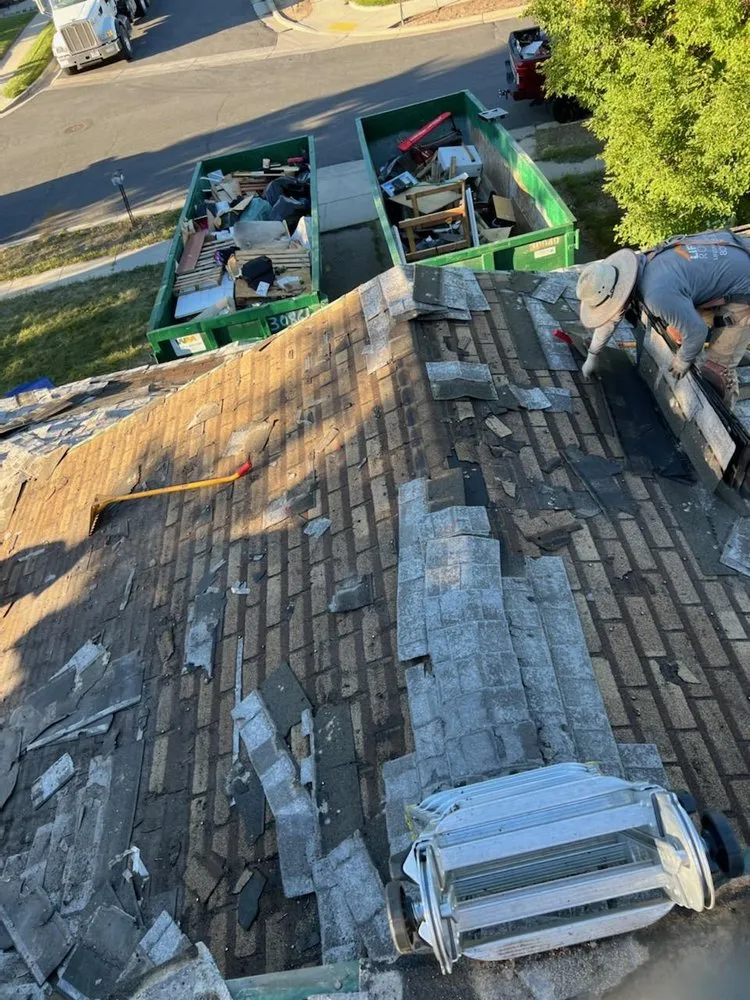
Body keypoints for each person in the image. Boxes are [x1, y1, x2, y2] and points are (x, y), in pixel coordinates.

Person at [575, 230, 750, 410]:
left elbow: (697, 332)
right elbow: (613, 317)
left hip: (745, 287)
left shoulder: (656, 295)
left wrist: (683, 360)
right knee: (675, 330)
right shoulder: (640, 266)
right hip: (733, 258)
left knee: (715, 372)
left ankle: (725, 419)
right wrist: (593, 354)